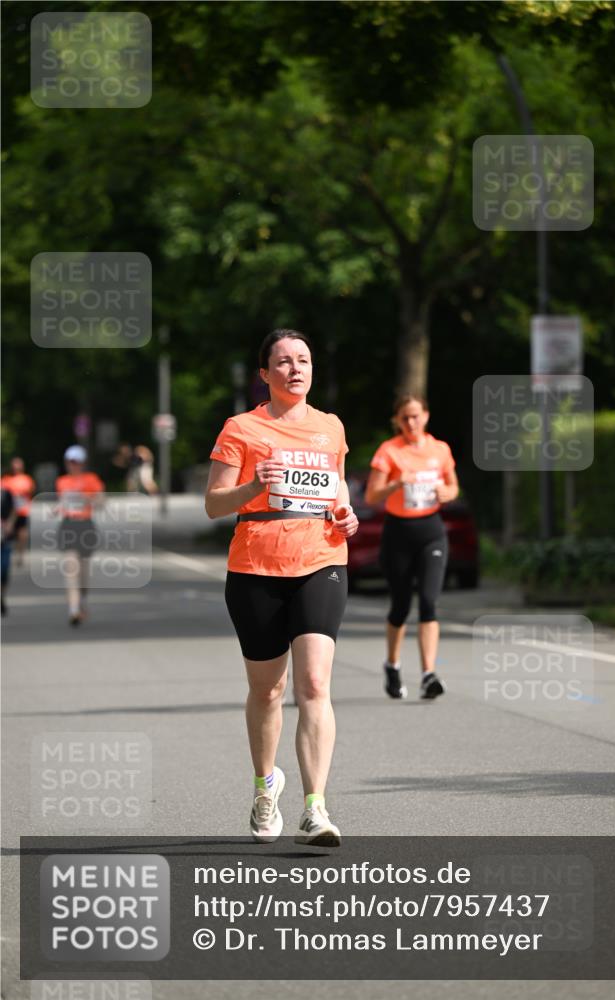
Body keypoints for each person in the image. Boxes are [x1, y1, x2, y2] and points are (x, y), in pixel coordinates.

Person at [205, 329, 358, 847]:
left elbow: (336, 483)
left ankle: (315, 807)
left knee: (314, 684)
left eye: (304, 361)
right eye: (284, 362)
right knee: (268, 689)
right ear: (264, 374)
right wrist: (254, 486)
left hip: (322, 558)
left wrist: (346, 510)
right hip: (256, 567)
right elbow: (214, 503)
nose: (296, 369)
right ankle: (265, 787)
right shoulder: (242, 428)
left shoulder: (330, 427)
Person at [365, 394, 459, 701]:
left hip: (431, 532)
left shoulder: (440, 449)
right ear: (397, 421)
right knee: (401, 606)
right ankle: (392, 665)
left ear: (426, 416)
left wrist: (446, 492)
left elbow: (453, 486)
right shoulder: (389, 451)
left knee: (429, 602)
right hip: (398, 534)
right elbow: (371, 497)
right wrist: (395, 484)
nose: (411, 423)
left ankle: (428, 675)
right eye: (404, 418)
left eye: (415, 416)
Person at [55, 445, 105, 626]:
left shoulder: (91, 480)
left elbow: (101, 501)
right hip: (68, 525)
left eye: (76, 462)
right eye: (70, 461)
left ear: (82, 463)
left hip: (85, 526)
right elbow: (62, 502)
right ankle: (73, 609)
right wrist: (57, 508)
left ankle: (82, 599)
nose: (72, 465)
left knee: (83, 573)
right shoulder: (62, 482)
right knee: (70, 569)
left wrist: (88, 499)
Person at [1, 456, 36, 567]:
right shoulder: (6, 479)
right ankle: (8, 555)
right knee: (9, 535)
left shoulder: (27, 479)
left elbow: (31, 492)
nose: (17, 466)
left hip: (23, 511)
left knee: (22, 534)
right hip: (10, 513)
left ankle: (20, 554)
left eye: (19, 464)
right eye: (15, 464)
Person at [1, 487, 16, 616]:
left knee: (4, 570)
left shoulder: (6, 493)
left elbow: (13, 511)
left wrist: (10, 524)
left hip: (4, 538)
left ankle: (2, 597)